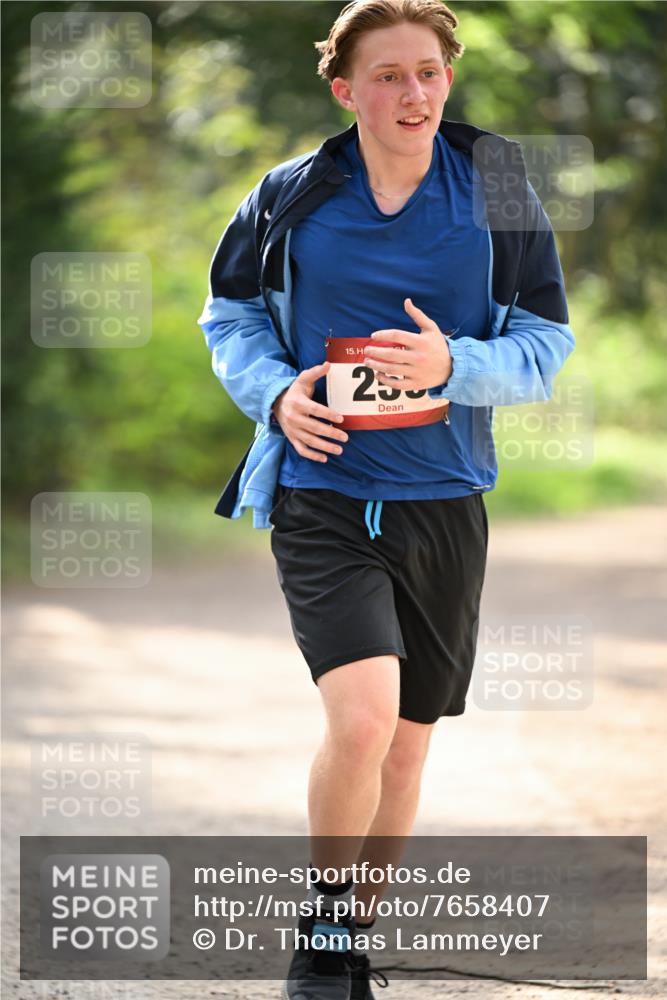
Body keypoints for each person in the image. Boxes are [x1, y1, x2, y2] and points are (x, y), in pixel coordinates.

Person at [197, 1, 575, 997]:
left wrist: (457, 362)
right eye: (388, 75)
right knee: (361, 722)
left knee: (404, 755)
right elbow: (229, 312)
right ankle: (320, 944)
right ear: (345, 89)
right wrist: (276, 393)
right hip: (321, 492)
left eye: (428, 73)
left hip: (445, 495)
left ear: (447, 78)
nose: (412, 93)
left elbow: (545, 345)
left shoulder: (494, 185)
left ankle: (353, 937)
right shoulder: (291, 194)